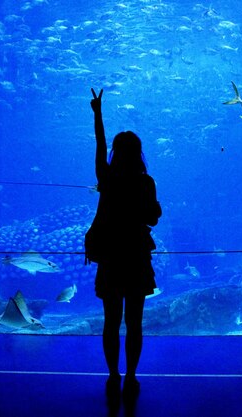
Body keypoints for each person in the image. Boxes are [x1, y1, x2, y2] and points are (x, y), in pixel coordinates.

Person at [87, 88, 162, 404]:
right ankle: (131, 375)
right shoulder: (145, 182)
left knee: (110, 320)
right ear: (139, 152)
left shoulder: (107, 177)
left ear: (116, 153)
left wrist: (98, 114)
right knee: (134, 321)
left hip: (111, 255)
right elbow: (153, 218)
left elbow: (99, 145)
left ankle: (113, 374)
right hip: (136, 255)